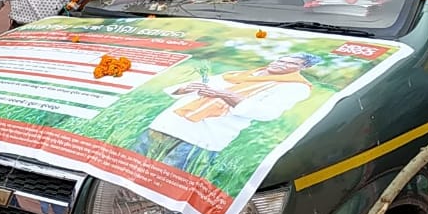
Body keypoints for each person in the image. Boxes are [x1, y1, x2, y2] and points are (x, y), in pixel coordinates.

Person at [134, 54, 321, 170]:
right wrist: (184, 88)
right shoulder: (241, 74)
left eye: (289, 63)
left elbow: (268, 112)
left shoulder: (296, 87)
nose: (280, 64)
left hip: (198, 138)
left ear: (303, 67)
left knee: (164, 178)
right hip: (166, 125)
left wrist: (224, 95)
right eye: (281, 59)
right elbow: (205, 85)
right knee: (133, 165)